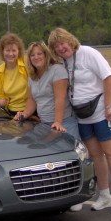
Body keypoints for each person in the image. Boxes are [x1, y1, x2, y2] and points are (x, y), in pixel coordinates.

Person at [48, 27, 111, 213]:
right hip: (83, 115)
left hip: (103, 112)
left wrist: (109, 106)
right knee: (95, 155)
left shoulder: (88, 53)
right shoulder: (62, 62)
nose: (61, 48)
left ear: (70, 40)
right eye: (56, 46)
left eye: (63, 43)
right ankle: (104, 195)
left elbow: (108, 77)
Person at [13, 41, 82, 212]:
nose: (36, 57)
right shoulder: (32, 75)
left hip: (64, 121)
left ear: (46, 55)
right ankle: (57, 195)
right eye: (33, 55)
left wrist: (57, 122)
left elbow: (60, 98)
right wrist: (23, 114)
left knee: (71, 159)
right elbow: (32, 100)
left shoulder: (56, 70)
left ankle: (77, 196)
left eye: (39, 54)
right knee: (52, 162)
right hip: (44, 124)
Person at [0, 33, 28, 116]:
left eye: (14, 50)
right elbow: (3, 99)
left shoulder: (26, 65)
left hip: (30, 110)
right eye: (7, 50)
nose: (11, 54)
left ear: (19, 51)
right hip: (11, 113)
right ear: (2, 51)